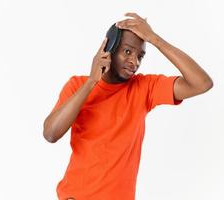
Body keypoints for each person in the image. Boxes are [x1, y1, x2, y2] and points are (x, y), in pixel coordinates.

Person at [43, 12, 213, 200]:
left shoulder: (144, 88)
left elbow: (202, 83)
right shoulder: (77, 85)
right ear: (109, 48)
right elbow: (51, 133)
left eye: (140, 55)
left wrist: (155, 39)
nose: (135, 62)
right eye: (127, 51)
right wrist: (92, 81)